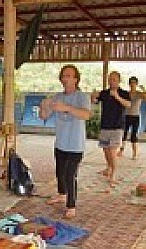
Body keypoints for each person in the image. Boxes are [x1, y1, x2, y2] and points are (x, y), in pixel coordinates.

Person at [39, 65, 91, 219]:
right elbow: (44, 116)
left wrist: (66, 108)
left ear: (76, 79)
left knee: (70, 174)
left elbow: (86, 115)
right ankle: (62, 194)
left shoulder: (82, 97)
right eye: (64, 76)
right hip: (60, 142)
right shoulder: (57, 97)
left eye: (70, 75)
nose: (66, 78)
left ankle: (71, 205)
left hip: (75, 144)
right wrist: (43, 107)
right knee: (59, 172)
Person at [91, 71, 131, 186]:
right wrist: (93, 97)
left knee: (113, 151)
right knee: (105, 149)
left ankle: (113, 173)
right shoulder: (104, 93)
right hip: (105, 126)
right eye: (110, 79)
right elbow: (94, 102)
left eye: (113, 79)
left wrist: (117, 96)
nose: (111, 81)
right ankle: (108, 167)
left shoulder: (123, 93)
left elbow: (128, 104)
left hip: (117, 126)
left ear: (119, 80)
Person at [117, 76, 146, 159]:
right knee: (124, 134)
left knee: (133, 135)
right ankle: (121, 151)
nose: (132, 84)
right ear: (129, 84)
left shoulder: (139, 94)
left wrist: (144, 90)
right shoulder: (126, 94)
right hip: (126, 116)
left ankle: (135, 153)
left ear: (136, 84)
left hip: (136, 116)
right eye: (131, 83)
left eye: (134, 83)